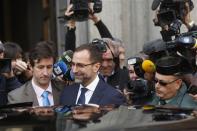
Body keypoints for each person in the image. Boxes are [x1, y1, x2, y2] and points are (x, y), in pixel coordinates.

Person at [60, 44, 125, 106]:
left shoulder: (113, 97)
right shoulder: (66, 93)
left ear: (96, 67)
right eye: (73, 64)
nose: (74, 70)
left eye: (80, 65)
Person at [8, 41, 61, 106]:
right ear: (30, 66)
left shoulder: (64, 89)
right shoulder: (16, 97)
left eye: (49, 67)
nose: (45, 73)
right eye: (40, 67)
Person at [0, 41, 22, 105]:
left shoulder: (6, 74)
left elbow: (22, 98)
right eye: (14, 60)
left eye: (1, 52)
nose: (18, 62)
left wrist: (11, 78)